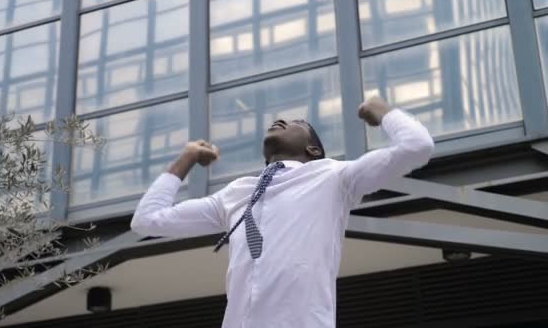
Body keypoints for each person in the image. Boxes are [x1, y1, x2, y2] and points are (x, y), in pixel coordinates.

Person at [130, 96, 434, 328]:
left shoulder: (334, 178)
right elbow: (147, 220)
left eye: (297, 123)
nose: (280, 121)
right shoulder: (234, 194)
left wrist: (383, 113)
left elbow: (417, 146)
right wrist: (187, 158)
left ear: (313, 150)